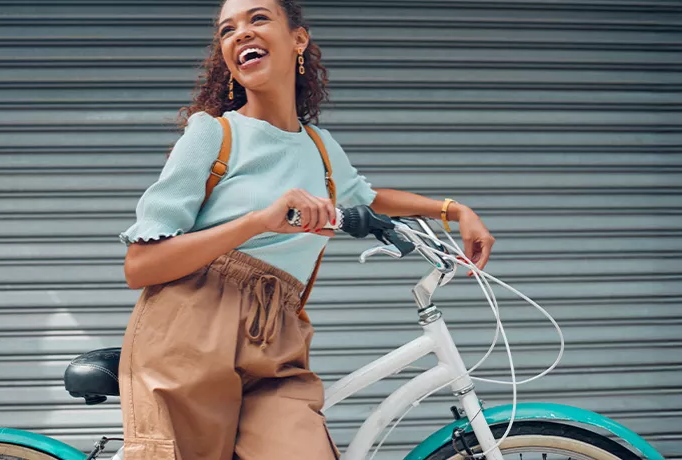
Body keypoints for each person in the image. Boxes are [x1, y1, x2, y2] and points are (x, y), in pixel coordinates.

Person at [116, 0, 495, 458]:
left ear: (298, 38)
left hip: (277, 340)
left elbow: (369, 198)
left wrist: (453, 210)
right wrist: (257, 222)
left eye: (258, 18)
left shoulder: (320, 147)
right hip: (188, 334)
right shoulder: (212, 135)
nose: (241, 33)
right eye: (227, 30)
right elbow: (140, 266)